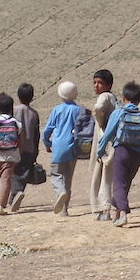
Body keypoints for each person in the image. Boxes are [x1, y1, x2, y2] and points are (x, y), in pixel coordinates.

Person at [96, 81, 140, 227]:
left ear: (124, 98)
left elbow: (107, 134)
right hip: (138, 154)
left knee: (119, 184)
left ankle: (123, 213)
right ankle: (117, 213)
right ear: (139, 99)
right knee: (125, 184)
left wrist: (100, 151)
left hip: (122, 151)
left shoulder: (119, 113)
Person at [42, 82, 82, 216]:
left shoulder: (57, 110)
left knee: (57, 175)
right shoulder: (78, 110)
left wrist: (47, 143)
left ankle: (60, 192)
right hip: (74, 148)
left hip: (59, 147)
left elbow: (47, 130)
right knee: (68, 179)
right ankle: (64, 210)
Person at [89, 69, 119, 221]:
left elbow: (99, 108)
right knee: (107, 175)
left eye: (100, 83)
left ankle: (104, 209)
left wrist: (101, 122)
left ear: (109, 85)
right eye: (94, 82)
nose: (96, 85)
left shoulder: (104, 96)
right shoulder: (112, 98)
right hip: (111, 142)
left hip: (104, 142)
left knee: (102, 176)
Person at [9, 83, 41, 212]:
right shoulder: (34, 113)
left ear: (18, 96)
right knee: (24, 173)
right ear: (32, 97)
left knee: (13, 172)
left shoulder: (13, 110)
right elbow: (36, 134)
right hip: (30, 148)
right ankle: (16, 195)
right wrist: (36, 151)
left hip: (14, 147)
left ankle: (15, 195)